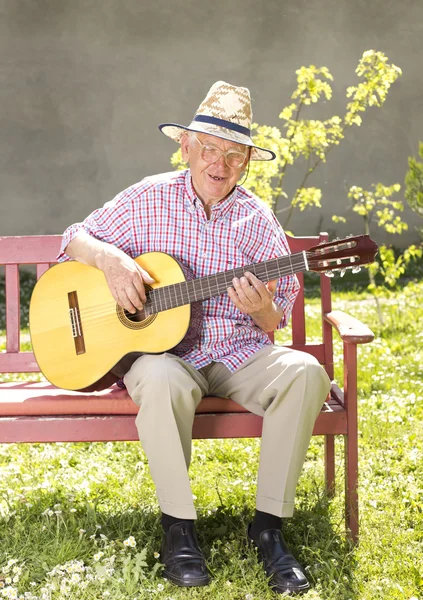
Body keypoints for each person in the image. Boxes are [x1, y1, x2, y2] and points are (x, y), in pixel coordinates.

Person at [58, 81, 331, 595]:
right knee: (160, 376)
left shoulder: (258, 220)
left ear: (247, 161)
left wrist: (264, 308)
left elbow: (276, 321)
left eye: (233, 154)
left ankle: (268, 529)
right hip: (164, 355)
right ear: (185, 146)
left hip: (236, 355)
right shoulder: (147, 197)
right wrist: (110, 258)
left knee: (305, 372)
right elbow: (72, 237)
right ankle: (178, 530)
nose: (219, 164)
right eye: (209, 147)